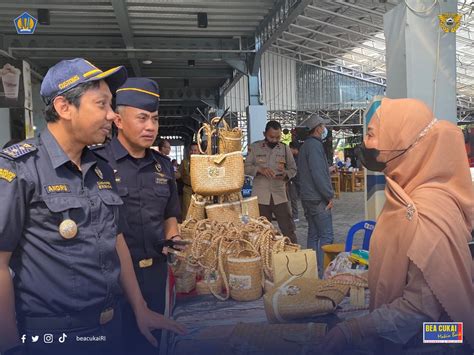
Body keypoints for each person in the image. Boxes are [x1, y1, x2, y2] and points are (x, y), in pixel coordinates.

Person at [0, 58, 185, 355]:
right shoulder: (21, 169)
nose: (112, 115)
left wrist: (139, 308)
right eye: (102, 105)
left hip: (109, 329)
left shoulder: (99, 169)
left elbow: (116, 240)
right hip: (53, 338)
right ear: (64, 108)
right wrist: (8, 344)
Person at [322, 98, 474, 353]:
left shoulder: (426, 215)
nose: (366, 144)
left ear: (402, 143)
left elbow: (422, 311)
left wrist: (354, 330)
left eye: (371, 134)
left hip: (438, 339)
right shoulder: (410, 193)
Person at [91, 78, 184, 354]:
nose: (151, 127)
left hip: (156, 276)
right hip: (111, 280)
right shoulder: (96, 163)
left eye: (154, 119)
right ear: (118, 120)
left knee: (152, 346)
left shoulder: (162, 166)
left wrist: (174, 238)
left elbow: (170, 216)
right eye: (142, 118)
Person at [244, 120, 297, 243]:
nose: (274, 140)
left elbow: (293, 169)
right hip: (261, 196)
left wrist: (286, 174)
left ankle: (294, 254)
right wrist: (259, 170)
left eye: (277, 137)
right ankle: (264, 256)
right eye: (271, 137)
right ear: (264, 134)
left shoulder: (284, 149)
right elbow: (245, 168)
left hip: (280, 195)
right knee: (262, 230)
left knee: (288, 229)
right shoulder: (255, 147)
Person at [297, 114, 334, 277]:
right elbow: (318, 174)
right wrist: (329, 195)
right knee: (326, 236)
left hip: (307, 196)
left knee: (313, 234)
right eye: (323, 126)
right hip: (318, 198)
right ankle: (322, 273)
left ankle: (311, 270)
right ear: (318, 128)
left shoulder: (305, 146)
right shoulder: (315, 146)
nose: (324, 129)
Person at [176, 142, 200, 219]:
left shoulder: (203, 161)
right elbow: (179, 174)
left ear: (199, 151)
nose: (193, 152)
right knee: (186, 210)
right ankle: (185, 228)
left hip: (200, 191)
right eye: (191, 150)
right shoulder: (184, 162)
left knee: (199, 210)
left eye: (195, 150)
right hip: (187, 189)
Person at [288, 141, 300, 222]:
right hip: (294, 180)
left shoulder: (299, 157)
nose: (289, 150)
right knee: (293, 198)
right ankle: (295, 215)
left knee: (293, 198)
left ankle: (296, 215)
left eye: (290, 148)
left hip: (297, 179)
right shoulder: (292, 157)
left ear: (293, 148)